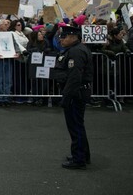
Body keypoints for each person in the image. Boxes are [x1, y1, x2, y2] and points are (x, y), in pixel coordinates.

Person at [52, 25, 93, 170]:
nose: (61, 39)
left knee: (75, 127)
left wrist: (66, 97)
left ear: (73, 37)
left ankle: (79, 159)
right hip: (77, 92)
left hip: (76, 93)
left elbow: (74, 78)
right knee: (78, 125)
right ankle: (82, 154)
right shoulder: (76, 49)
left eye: (64, 37)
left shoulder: (76, 52)